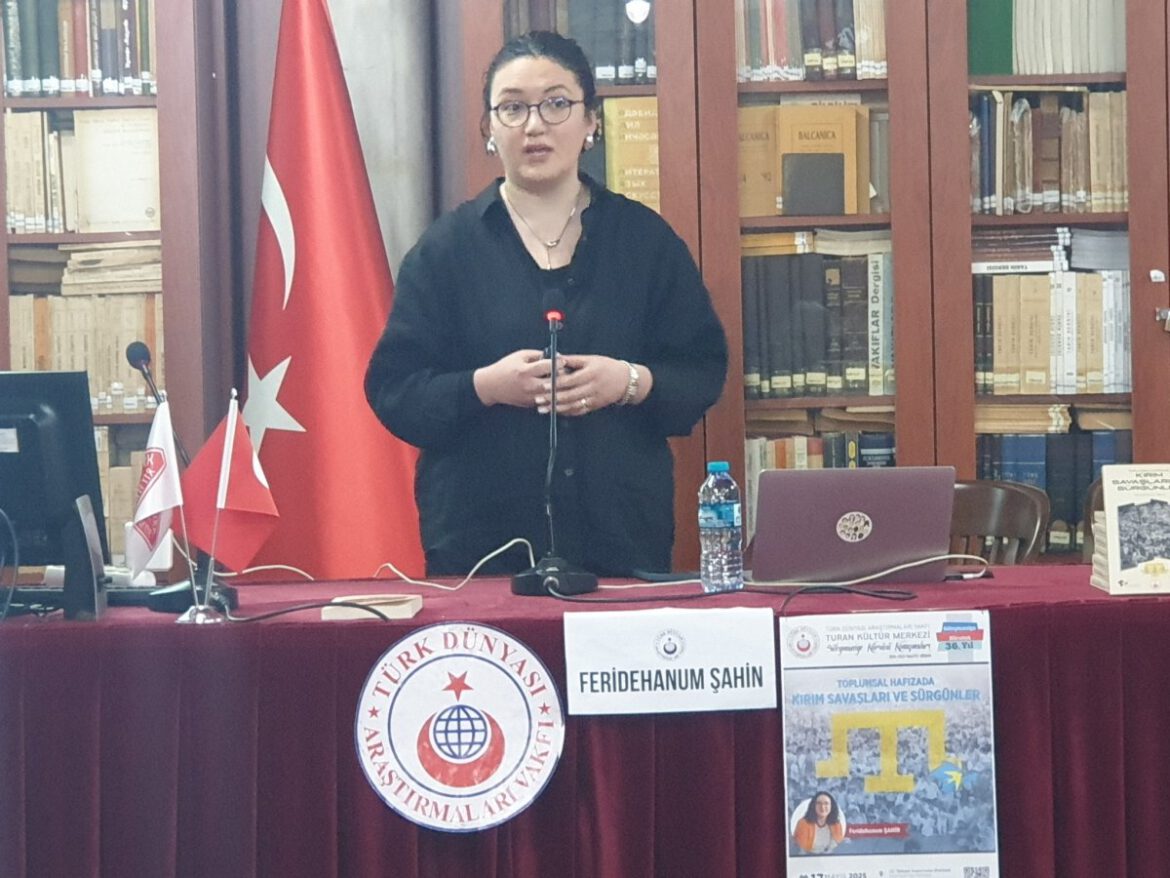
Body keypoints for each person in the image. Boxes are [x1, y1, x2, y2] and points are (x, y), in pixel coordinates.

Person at [364, 30, 727, 577]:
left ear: (590, 122)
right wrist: (485, 387)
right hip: (481, 550)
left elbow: (702, 372)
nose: (534, 125)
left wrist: (629, 382)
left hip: (622, 543)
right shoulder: (445, 251)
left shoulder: (645, 241)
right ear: (489, 129)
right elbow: (394, 391)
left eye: (556, 104)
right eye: (512, 108)